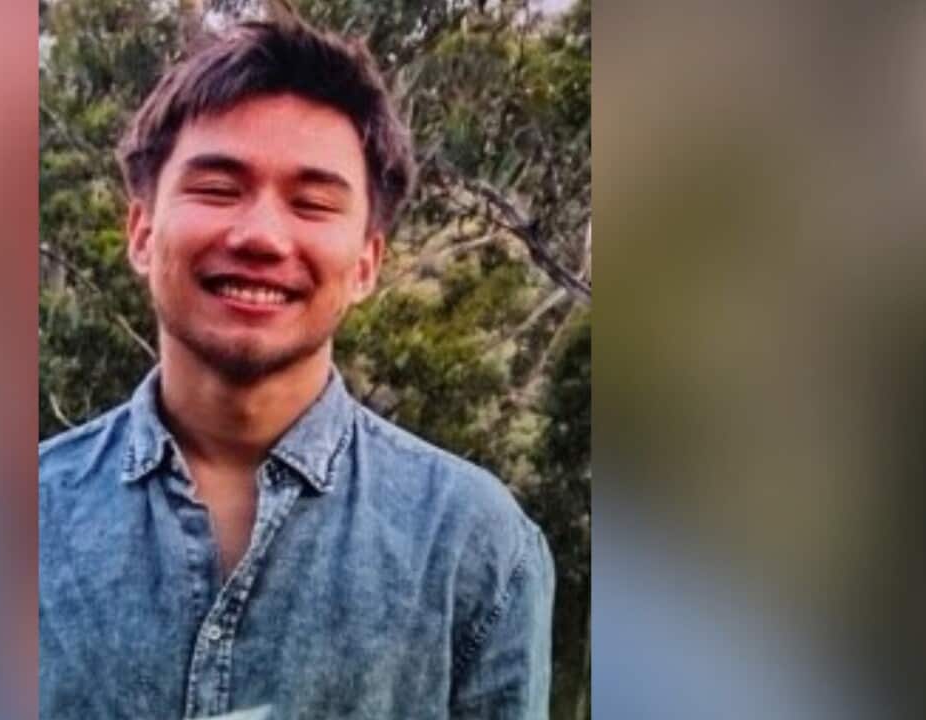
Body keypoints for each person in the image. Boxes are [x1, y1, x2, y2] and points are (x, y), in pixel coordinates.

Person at [39, 13, 554, 720]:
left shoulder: (475, 548)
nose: (259, 236)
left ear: (368, 261)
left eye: (312, 203)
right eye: (218, 189)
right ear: (141, 231)